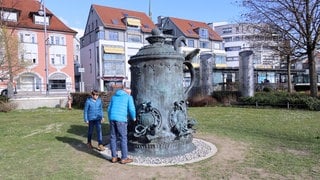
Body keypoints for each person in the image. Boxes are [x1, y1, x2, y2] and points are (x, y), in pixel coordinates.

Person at [108, 88, 136, 164]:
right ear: (126, 92)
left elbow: (109, 109)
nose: (130, 94)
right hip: (121, 120)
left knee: (113, 137)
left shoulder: (114, 97)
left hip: (112, 118)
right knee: (123, 138)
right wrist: (134, 117)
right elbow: (131, 108)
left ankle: (114, 157)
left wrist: (110, 118)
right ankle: (124, 158)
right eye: (129, 93)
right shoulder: (128, 97)